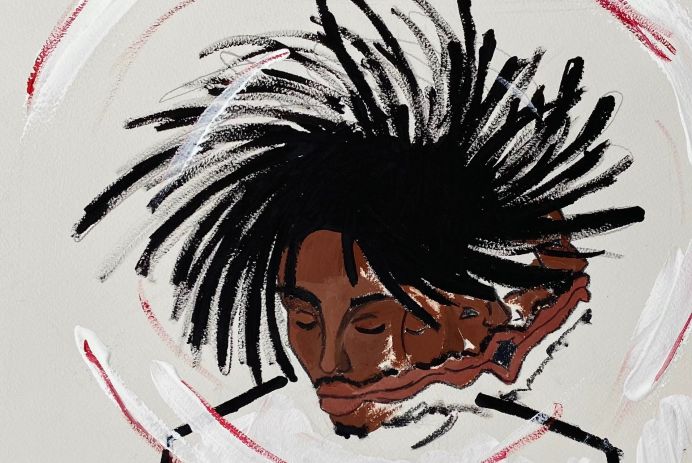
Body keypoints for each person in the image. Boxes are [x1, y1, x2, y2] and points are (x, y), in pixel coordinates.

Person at [73, 0, 644, 442]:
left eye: (371, 326)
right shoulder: (213, 447)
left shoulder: (554, 444)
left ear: (469, 318)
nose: (328, 362)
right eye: (303, 316)